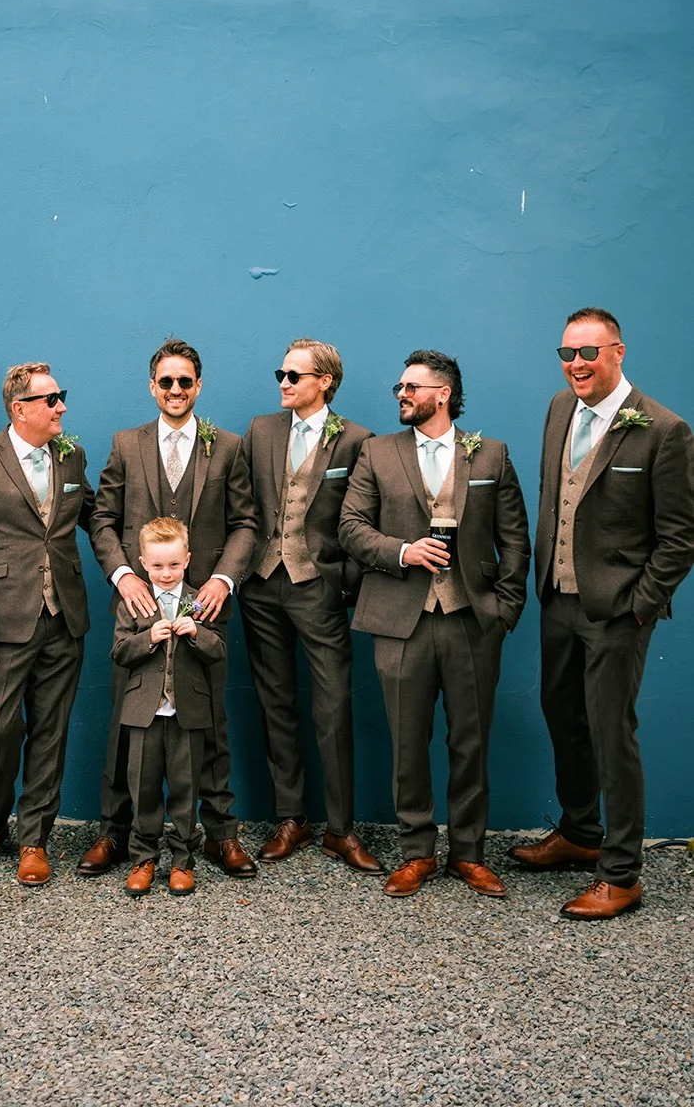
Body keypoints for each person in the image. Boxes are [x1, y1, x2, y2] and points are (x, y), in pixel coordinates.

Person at [509, 308, 694, 919]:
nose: (577, 365)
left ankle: (622, 872)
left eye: (588, 353)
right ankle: (581, 832)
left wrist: (639, 607)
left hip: (616, 612)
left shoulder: (663, 430)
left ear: (618, 351)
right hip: (557, 599)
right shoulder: (559, 410)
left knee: (611, 733)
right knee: (562, 716)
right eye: (567, 354)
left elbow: (680, 536)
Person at [340, 350, 530, 899]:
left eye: (411, 386)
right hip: (401, 618)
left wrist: (503, 610)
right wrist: (402, 551)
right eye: (399, 385)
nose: (401, 393)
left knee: (470, 740)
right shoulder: (377, 452)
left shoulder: (490, 454)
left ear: (442, 393)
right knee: (407, 740)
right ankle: (417, 852)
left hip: (472, 618)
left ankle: (468, 854)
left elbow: (514, 538)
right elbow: (350, 527)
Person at [77, 338, 257, 880]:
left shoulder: (225, 445)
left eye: (185, 381)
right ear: (152, 386)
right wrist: (123, 573)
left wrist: (224, 578)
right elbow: (102, 519)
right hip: (137, 604)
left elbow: (246, 522)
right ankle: (117, 831)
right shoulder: (126, 444)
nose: (175, 390)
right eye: (166, 381)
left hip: (203, 606)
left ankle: (219, 833)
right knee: (128, 723)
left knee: (210, 722)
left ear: (198, 386)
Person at [0, 363, 95, 886]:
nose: (61, 407)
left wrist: (134, 565)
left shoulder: (72, 455)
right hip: (3, 621)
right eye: (51, 399)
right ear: (20, 408)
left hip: (64, 617)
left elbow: (93, 517)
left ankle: (35, 839)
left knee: (51, 733)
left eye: (61, 396)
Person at [240, 339, 380, 872]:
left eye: (295, 375)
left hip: (317, 585)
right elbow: (244, 504)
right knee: (275, 702)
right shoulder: (260, 430)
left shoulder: (357, 440)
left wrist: (342, 578)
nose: (284, 381)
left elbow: (365, 516)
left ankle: (341, 830)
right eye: (281, 372)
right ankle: (291, 818)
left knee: (333, 705)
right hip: (261, 585)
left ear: (325, 381)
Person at [112, 517, 225, 897]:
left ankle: (182, 862)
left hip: (187, 713)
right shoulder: (135, 601)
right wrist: (147, 638)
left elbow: (219, 649)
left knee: (184, 788)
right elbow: (118, 652)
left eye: (174, 565)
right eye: (157, 565)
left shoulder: (199, 600)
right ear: (143, 562)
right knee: (142, 789)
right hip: (144, 714)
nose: (165, 573)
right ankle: (143, 859)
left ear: (188, 560)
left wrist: (198, 634)